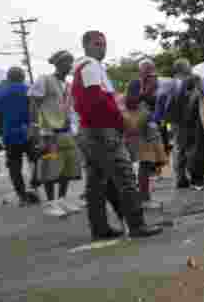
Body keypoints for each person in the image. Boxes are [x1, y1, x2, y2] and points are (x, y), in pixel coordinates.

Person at [72, 31, 161, 241]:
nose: (102, 48)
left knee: (96, 183)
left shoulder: (82, 68)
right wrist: (121, 122)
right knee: (125, 177)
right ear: (86, 45)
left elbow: (94, 100)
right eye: (97, 44)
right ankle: (136, 225)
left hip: (90, 130)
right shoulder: (91, 66)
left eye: (104, 44)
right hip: (102, 130)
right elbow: (98, 100)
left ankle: (100, 228)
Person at [29, 51, 83, 217]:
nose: (70, 65)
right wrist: (35, 128)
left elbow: (71, 109)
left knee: (67, 167)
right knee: (50, 167)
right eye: (67, 62)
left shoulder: (68, 85)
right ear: (58, 63)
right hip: (49, 134)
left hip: (66, 132)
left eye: (71, 62)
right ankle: (50, 203)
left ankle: (61, 199)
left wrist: (75, 128)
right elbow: (34, 103)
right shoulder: (45, 80)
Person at [0, 68, 40, 206]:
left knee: (14, 165)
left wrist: (0, 132)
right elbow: (36, 111)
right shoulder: (29, 90)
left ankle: (22, 195)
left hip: (9, 133)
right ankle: (34, 186)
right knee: (37, 159)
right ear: (22, 77)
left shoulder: (0, 92)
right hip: (28, 132)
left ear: (8, 78)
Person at [124, 59, 167, 208]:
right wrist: (145, 92)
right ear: (140, 71)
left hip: (151, 126)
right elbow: (129, 104)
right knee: (145, 161)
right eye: (146, 69)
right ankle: (144, 198)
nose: (150, 72)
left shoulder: (157, 84)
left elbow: (158, 104)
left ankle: (144, 195)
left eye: (151, 69)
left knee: (150, 162)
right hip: (139, 128)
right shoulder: (135, 84)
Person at [159, 58, 194, 188]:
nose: (190, 68)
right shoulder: (180, 82)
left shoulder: (173, 82)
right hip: (181, 120)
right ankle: (181, 177)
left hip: (176, 120)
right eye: (188, 66)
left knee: (180, 148)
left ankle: (182, 176)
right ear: (182, 68)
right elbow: (181, 101)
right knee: (181, 148)